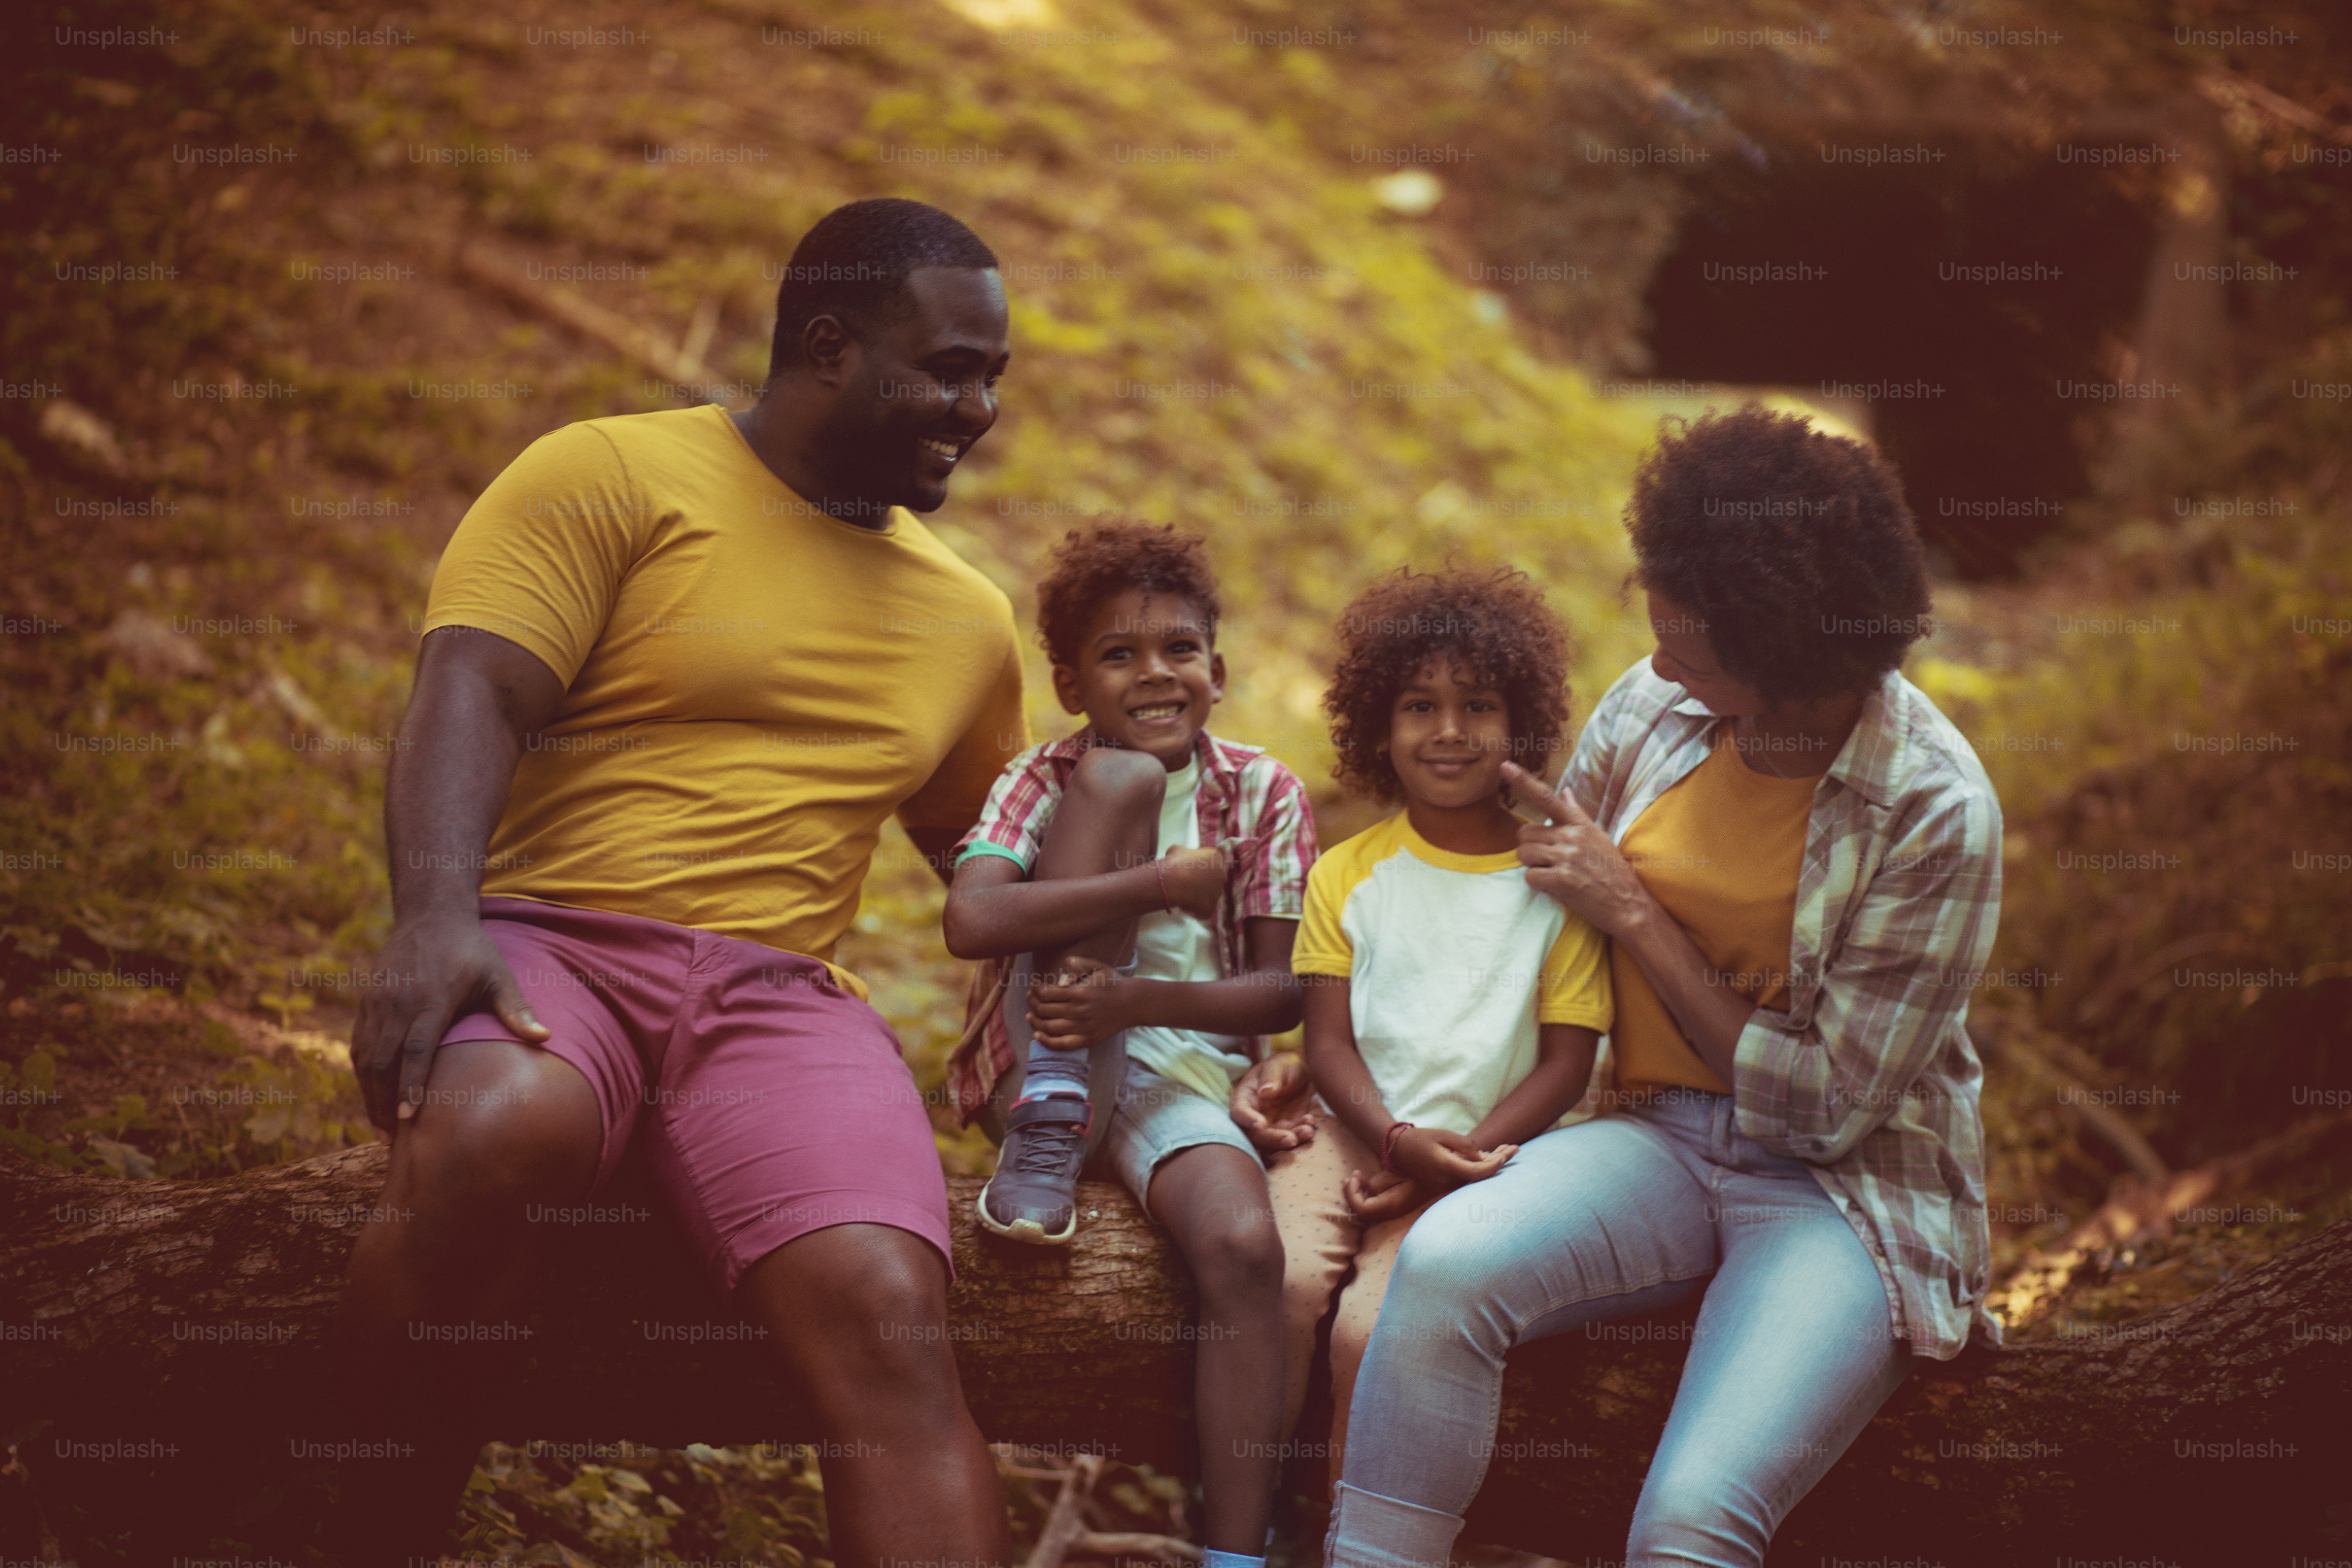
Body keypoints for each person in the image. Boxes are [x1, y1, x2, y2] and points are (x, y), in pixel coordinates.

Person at [327, 198, 1026, 1568]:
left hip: (775, 1007)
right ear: (828, 346)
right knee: (492, 1135)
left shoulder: (967, 619)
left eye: (992, 377)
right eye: (949, 368)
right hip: (553, 948)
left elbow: (990, 864)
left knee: (885, 1304)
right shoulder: (609, 474)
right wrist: (433, 920)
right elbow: (472, 682)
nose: (979, 407)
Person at [1325, 405, 2004, 1568]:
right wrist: (1329, 1047)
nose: (1652, 645)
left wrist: (1636, 917)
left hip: (1837, 1198)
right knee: (1438, 1275)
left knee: (1689, 1520)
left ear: (1777, 651)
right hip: (1649, 1137)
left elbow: (1823, 1112)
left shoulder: (1933, 810)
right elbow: (1524, 923)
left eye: (1684, 633)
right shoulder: (1656, 704)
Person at [941, 521, 1317, 1568]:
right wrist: (1153, 884)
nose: (1154, 675)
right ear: (1070, 681)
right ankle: (1051, 1114)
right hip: (1042, 1037)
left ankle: (1235, 1553)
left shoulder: (1261, 792)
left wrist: (1135, 999)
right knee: (1119, 784)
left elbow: (1276, 993)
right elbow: (971, 923)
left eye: (1179, 650)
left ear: (1218, 668)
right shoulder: (1045, 774)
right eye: (1119, 654)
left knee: (1243, 1248)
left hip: (1176, 1064)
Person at [1262, 566, 1611, 1485]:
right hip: (1351, 1131)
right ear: (1380, 726)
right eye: (1419, 705)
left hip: (1498, 1157)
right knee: (1284, 1283)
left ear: (1521, 724)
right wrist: (1394, 1137)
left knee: (1375, 1330)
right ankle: (1243, 1524)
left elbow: (1565, 1069)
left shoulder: (1554, 890)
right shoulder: (1348, 873)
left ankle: (1349, 1535)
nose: (1449, 731)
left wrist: (1453, 1162)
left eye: (1479, 705)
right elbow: (1327, 1043)